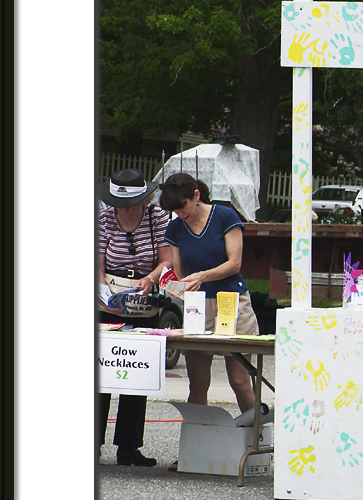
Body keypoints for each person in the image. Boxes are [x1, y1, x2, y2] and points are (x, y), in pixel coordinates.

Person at [159, 173, 262, 468]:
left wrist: (202, 276)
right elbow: (179, 270)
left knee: (240, 379)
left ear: (196, 195)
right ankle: (195, 450)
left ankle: (257, 446)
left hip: (232, 299)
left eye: (184, 207)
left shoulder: (225, 216)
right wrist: (176, 287)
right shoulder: (176, 228)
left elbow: (235, 262)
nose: (181, 214)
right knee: (198, 381)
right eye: (176, 211)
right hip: (198, 306)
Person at [97, 169, 173, 467]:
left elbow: (166, 260)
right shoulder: (103, 219)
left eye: (132, 203)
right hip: (109, 299)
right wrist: (102, 293)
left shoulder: (157, 217)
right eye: (121, 203)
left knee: (136, 373)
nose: (126, 209)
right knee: (101, 374)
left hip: (144, 299)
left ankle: (129, 446)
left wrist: (152, 278)